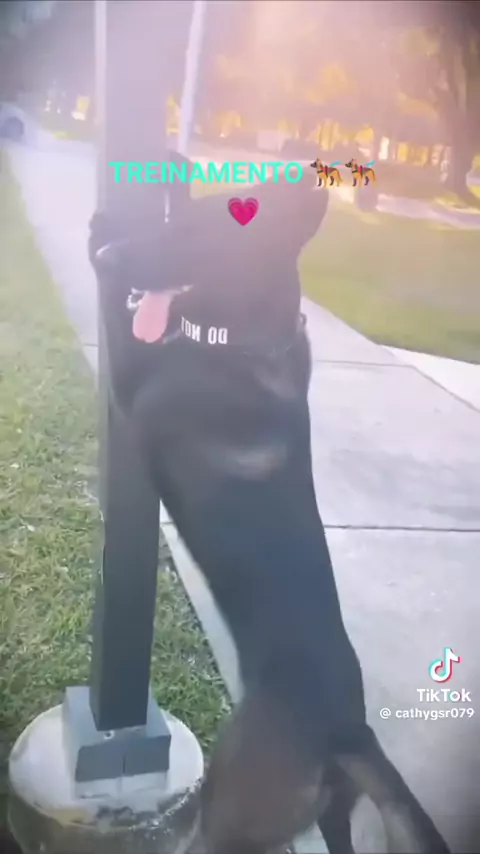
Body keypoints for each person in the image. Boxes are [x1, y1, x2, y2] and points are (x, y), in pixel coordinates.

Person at [89, 156, 449, 854]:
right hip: (337, 694)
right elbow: (241, 256)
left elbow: (132, 388)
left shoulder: (179, 399)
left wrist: (107, 264)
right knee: (339, 814)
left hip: (280, 735)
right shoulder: (284, 367)